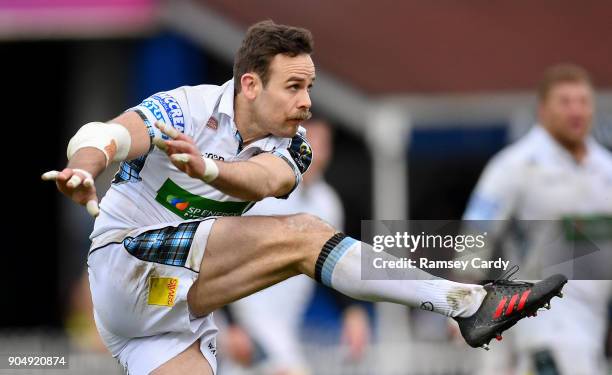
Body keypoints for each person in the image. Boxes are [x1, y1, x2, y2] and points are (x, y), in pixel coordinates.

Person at [42, 20, 566, 375]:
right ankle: (468, 302)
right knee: (304, 234)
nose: (307, 102)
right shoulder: (185, 109)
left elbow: (263, 182)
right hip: (126, 265)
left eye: (309, 87)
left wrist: (207, 168)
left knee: (304, 230)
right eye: (293, 87)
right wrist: (83, 171)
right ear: (250, 85)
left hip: (163, 314)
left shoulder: (293, 147)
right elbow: (102, 135)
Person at [464, 63, 612, 375]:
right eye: (565, 101)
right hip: (541, 317)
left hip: (594, 319)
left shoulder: (606, 168)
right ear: (543, 109)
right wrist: (461, 300)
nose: (576, 111)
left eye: (582, 102)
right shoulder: (515, 166)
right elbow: (476, 231)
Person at [222, 118, 370, 375]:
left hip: (282, 329)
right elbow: (220, 253)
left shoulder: (327, 202)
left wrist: (351, 311)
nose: (319, 151)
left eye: (326, 143)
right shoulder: (263, 190)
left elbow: (329, 262)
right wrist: (232, 323)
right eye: (314, 141)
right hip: (245, 321)